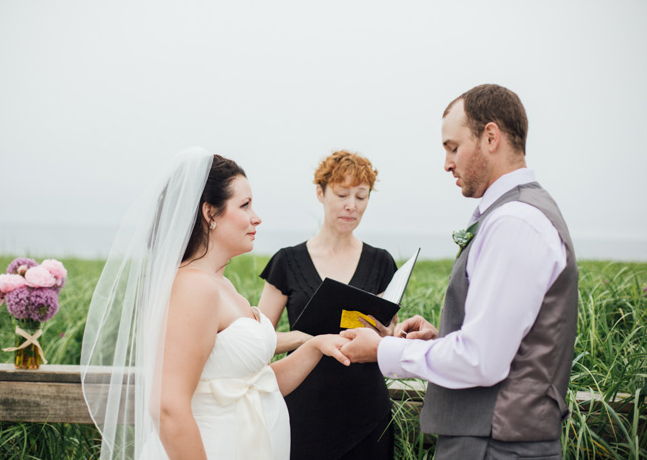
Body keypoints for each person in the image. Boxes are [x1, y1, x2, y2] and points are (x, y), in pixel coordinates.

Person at [341, 84, 578, 460]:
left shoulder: (514, 222)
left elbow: (480, 359)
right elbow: (503, 348)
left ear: (490, 137)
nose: (447, 163)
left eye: (453, 147)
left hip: (496, 447)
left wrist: (383, 349)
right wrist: (440, 341)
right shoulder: (516, 214)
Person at [81, 147, 351, 460]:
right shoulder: (193, 288)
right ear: (210, 213)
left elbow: (257, 383)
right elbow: (167, 407)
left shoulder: (222, 285)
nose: (256, 217)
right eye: (245, 205)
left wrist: (316, 346)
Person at [258, 150, 398, 460]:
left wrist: (389, 336)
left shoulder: (382, 262)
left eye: (361, 196)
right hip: (304, 411)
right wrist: (307, 340)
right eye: (342, 193)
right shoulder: (287, 261)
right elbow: (259, 341)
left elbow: (391, 336)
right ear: (320, 193)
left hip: (367, 411)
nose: (352, 205)